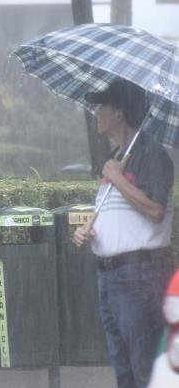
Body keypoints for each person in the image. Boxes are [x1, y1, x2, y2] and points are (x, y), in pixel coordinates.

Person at [73, 78, 174, 388]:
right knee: (123, 369)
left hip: (137, 275)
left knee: (144, 369)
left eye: (101, 107)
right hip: (110, 277)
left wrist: (117, 178)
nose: (96, 114)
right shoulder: (118, 156)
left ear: (119, 113)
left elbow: (155, 212)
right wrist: (88, 232)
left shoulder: (151, 153)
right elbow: (117, 214)